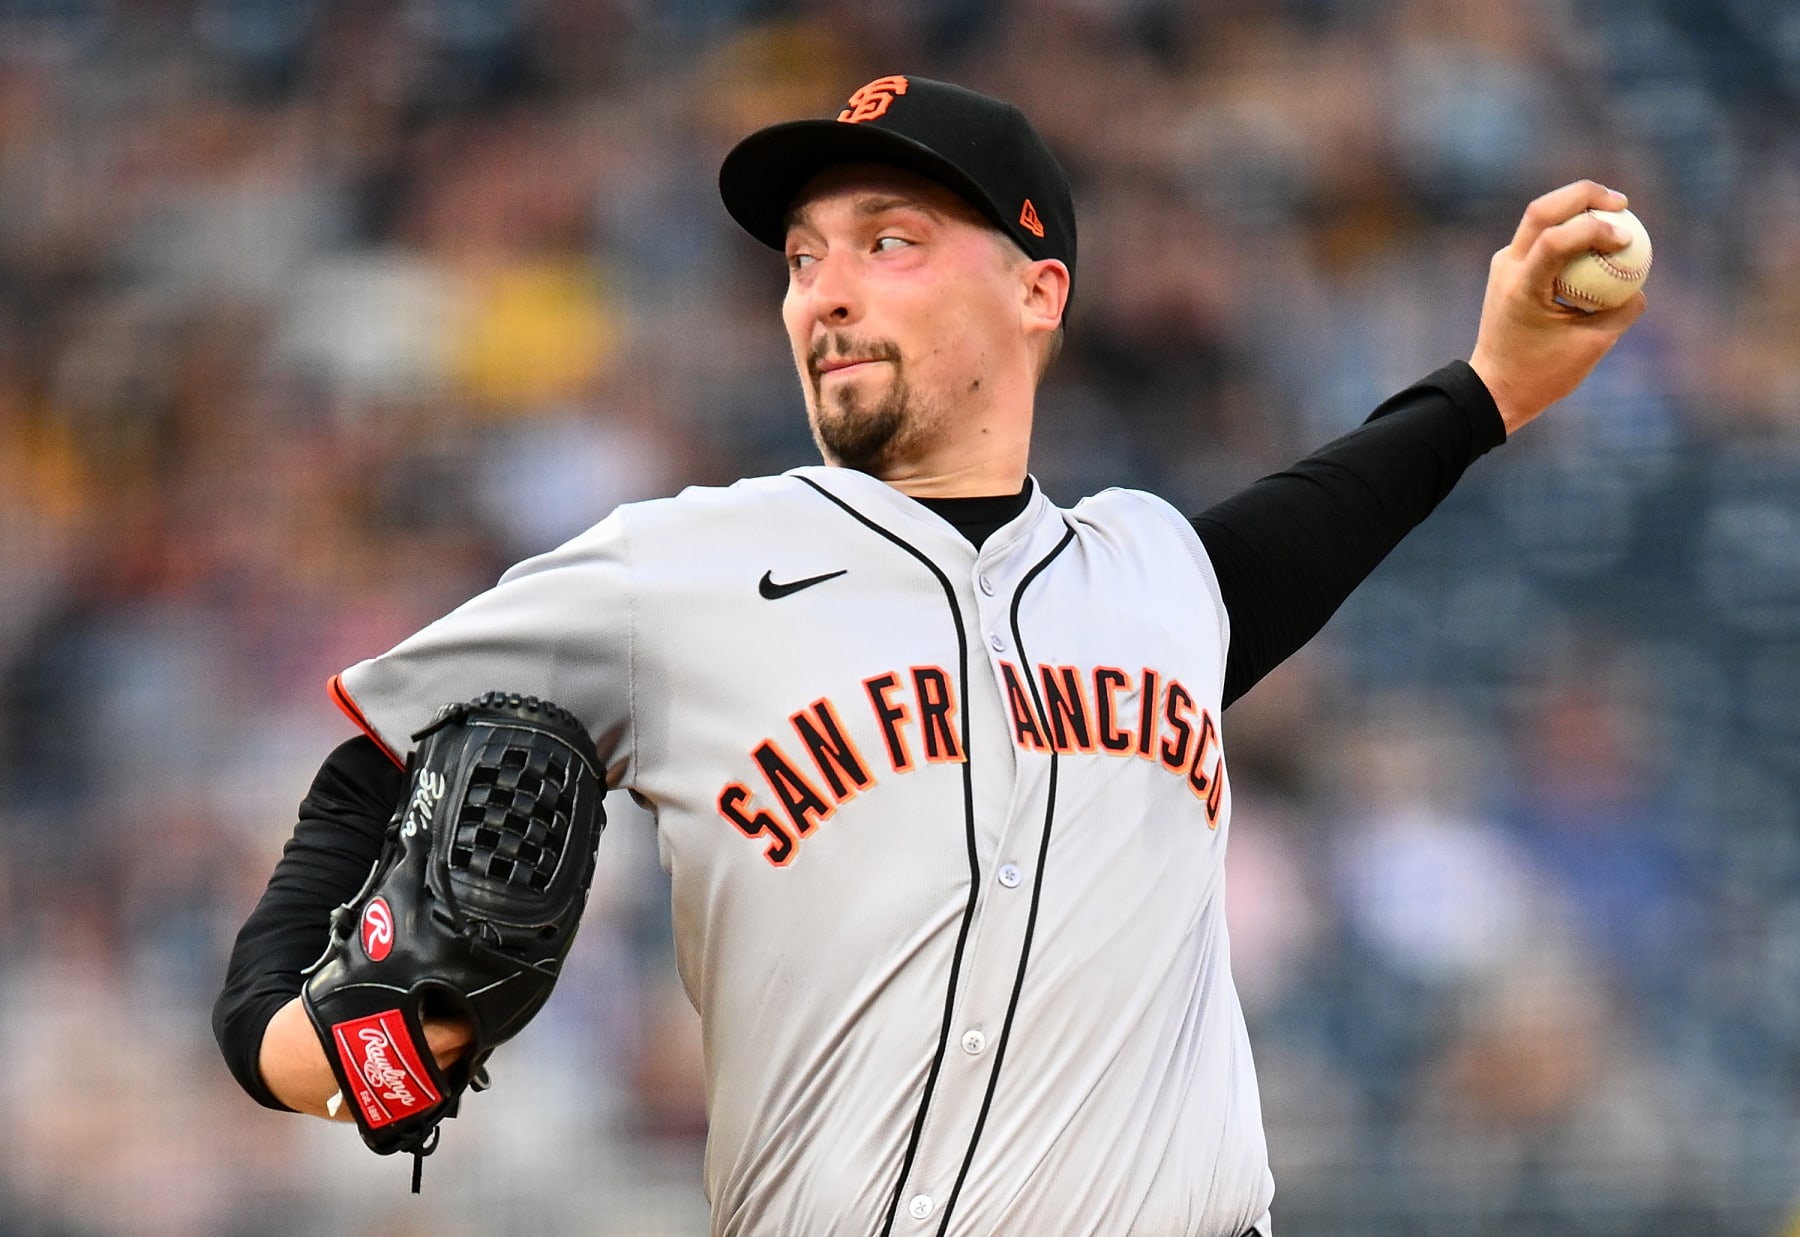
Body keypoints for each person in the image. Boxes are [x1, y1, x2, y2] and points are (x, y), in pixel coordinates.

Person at [214, 74, 1645, 1236]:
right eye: (802, 258)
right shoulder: (676, 572)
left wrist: (1492, 386)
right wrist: (321, 1050)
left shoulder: (1157, 577)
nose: (824, 292)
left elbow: (1329, 509)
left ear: (1038, 290)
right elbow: (369, 776)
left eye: (888, 242)